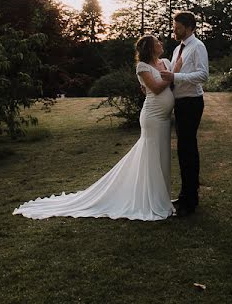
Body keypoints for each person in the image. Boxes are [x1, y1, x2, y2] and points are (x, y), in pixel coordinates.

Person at [12, 35, 175, 221]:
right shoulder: (142, 67)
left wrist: (173, 74)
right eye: (157, 43)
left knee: (162, 156)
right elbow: (155, 88)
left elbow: (165, 85)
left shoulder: (166, 62)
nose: (161, 44)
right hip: (152, 117)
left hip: (164, 118)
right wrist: (172, 76)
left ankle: (162, 197)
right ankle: (150, 199)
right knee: (151, 155)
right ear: (150, 48)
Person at [160, 11, 208, 218]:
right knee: (183, 150)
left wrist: (175, 76)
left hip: (192, 103)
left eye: (177, 27)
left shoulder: (198, 47)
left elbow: (203, 75)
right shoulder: (178, 48)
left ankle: (191, 200)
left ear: (188, 27)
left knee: (188, 150)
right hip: (180, 103)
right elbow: (172, 76)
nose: (174, 30)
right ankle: (185, 195)